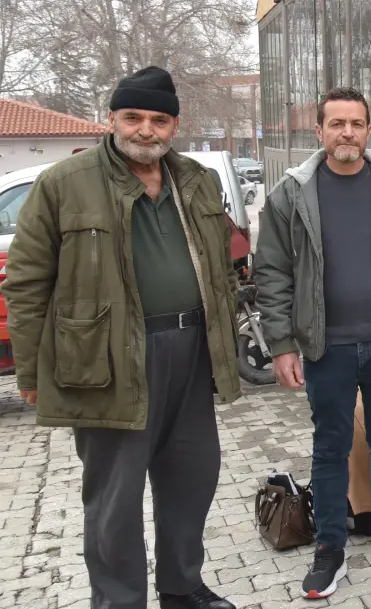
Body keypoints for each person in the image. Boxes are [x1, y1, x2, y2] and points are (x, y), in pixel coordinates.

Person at [4, 66, 240, 609]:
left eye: (159, 120)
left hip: (192, 353)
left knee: (192, 480)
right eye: (133, 117)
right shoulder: (65, 183)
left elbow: (222, 269)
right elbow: (26, 281)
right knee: (115, 498)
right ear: (111, 119)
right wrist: (32, 370)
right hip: (109, 360)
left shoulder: (195, 179)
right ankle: (119, 600)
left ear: (174, 125)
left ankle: (182, 587)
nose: (145, 130)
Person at [255, 87, 371, 600]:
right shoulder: (292, 193)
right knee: (330, 448)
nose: (348, 133)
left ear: (368, 129)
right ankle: (329, 549)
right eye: (337, 124)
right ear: (319, 130)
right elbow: (272, 272)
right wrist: (282, 345)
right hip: (325, 347)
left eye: (357, 123)